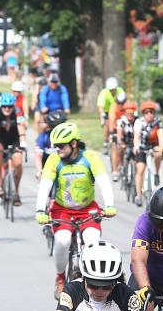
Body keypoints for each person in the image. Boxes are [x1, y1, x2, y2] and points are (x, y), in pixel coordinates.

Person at [35, 122, 116, 296]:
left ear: (73, 144)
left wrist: (109, 205)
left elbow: (103, 181)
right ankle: (60, 278)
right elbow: (45, 185)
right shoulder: (54, 159)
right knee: (62, 241)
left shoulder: (90, 157)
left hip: (87, 209)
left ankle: (90, 280)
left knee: (92, 242)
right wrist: (40, 211)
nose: (57, 149)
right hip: (62, 209)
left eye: (61, 146)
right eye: (55, 146)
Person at [0, 92, 27, 202]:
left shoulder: (17, 112)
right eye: (4, 106)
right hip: (1, 139)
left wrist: (23, 141)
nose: (7, 108)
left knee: (18, 162)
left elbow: (21, 127)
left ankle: (16, 192)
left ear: (13, 106)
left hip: (15, 139)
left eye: (9, 106)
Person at [132, 101, 163, 205]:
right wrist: (136, 147)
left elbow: (161, 137)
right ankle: (138, 195)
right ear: (143, 113)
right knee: (140, 169)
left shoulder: (158, 122)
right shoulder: (139, 122)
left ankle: (156, 174)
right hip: (142, 147)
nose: (149, 114)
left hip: (153, 145)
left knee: (159, 153)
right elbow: (136, 137)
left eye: (151, 112)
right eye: (146, 112)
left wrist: (161, 147)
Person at [34, 110, 67, 180]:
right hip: (47, 167)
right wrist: (39, 171)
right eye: (54, 126)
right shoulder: (43, 136)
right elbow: (38, 156)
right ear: (49, 126)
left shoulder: (68, 137)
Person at [96, 77, 125, 150]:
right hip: (106, 111)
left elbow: (125, 103)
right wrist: (103, 114)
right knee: (106, 123)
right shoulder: (104, 92)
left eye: (114, 89)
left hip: (117, 110)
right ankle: (105, 141)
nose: (112, 91)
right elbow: (100, 105)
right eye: (111, 89)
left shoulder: (120, 91)